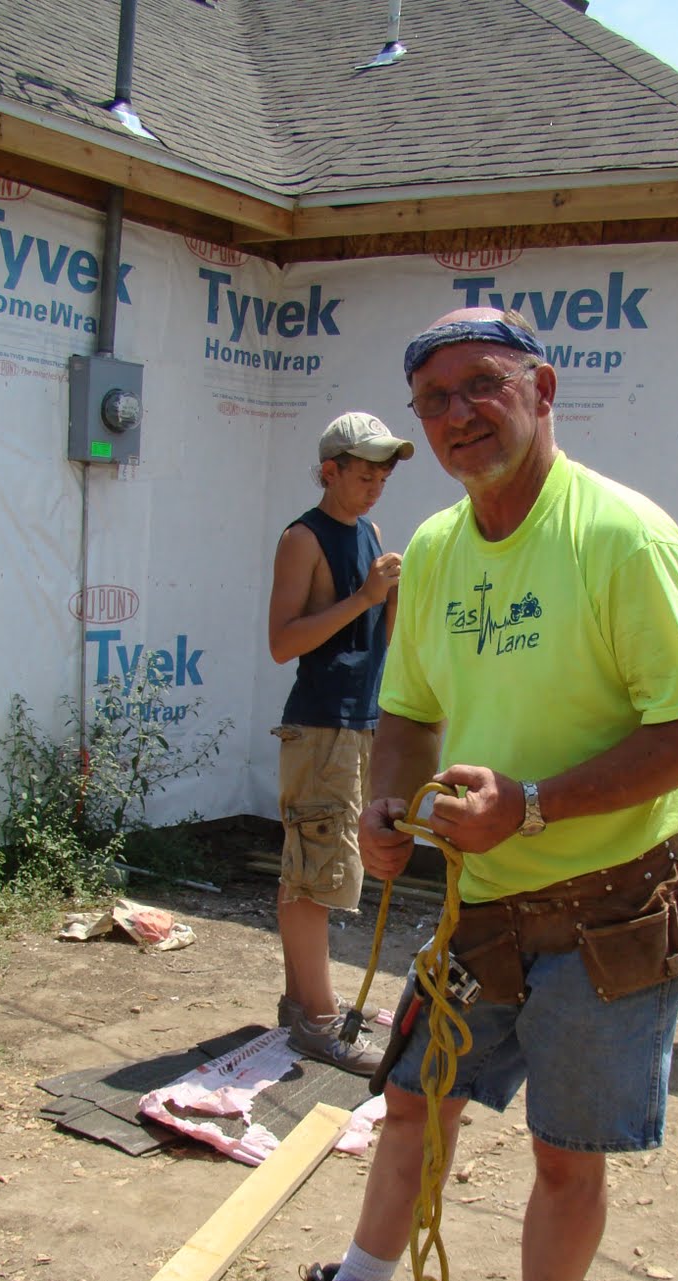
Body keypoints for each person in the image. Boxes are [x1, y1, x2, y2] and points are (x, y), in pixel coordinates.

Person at [225, 308, 678, 1281]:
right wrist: (385, 802)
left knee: (566, 1153)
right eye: (434, 400)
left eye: (481, 386)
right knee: (412, 1106)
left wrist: (536, 806)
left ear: (542, 387)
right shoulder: (444, 548)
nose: (458, 415)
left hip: (610, 905)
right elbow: (405, 709)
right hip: (485, 905)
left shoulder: (622, 538)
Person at [269, 411, 413, 1074]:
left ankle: (303, 1008)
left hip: (352, 725)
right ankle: (321, 1021)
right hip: (319, 725)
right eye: (364, 472)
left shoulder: (372, 533)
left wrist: (389, 603)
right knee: (316, 875)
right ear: (330, 471)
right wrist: (363, 596)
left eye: (384, 473)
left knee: (315, 867)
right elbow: (282, 643)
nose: (377, 484)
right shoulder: (303, 537)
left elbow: (376, 644)